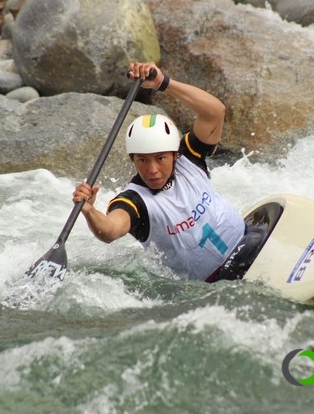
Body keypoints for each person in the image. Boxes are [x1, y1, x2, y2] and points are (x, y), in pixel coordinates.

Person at [73, 62, 264, 282]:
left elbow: (215, 112)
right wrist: (89, 211)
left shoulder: (189, 157)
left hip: (250, 241)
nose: (152, 170)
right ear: (132, 159)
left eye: (161, 158)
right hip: (215, 283)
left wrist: (163, 83)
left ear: (175, 154)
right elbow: (111, 230)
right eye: (143, 160)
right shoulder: (134, 201)